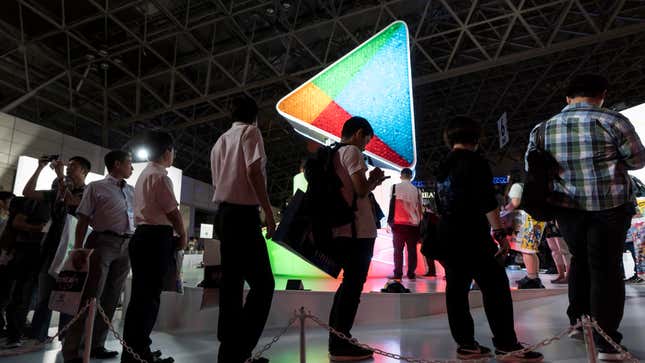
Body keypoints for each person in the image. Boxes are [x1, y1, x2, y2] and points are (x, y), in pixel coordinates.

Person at [526, 74, 645, 360]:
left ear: (568, 98)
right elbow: (637, 160)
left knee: (580, 259)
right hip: (610, 207)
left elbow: (534, 166)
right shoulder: (613, 121)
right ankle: (607, 343)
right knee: (606, 267)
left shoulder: (542, 129)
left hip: (567, 209)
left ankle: (579, 324)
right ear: (602, 94)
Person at [436, 116, 543, 362]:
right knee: (495, 287)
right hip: (471, 232)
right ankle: (506, 344)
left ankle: (466, 345)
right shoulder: (476, 162)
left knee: (456, 289)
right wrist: (499, 233)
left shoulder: (443, 164)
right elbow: (486, 201)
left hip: (447, 233)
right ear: (476, 137)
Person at [210, 96, 275, 363]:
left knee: (232, 285)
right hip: (243, 216)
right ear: (255, 116)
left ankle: (229, 352)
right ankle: (241, 348)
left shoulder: (220, 141)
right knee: (264, 284)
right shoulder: (251, 132)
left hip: (224, 214)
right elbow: (254, 172)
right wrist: (268, 211)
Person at [61, 150, 135, 363]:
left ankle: (96, 345)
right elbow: (83, 220)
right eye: (129, 163)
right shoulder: (96, 187)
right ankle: (72, 350)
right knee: (90, 296)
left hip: (126, 245)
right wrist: (78, 249)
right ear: (118, 164)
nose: (131, 167)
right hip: (102, 243)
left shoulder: (132, 190)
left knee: (111, 298)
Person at [121, 131, 186, 363]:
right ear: (167, 151)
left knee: (141, 298)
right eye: (173, 151)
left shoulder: (144, 175)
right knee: (148, 299)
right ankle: (139, 353)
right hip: (156, 238)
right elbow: (173, 212)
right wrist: (183, 234)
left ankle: (135, 350)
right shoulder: (160, 177)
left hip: (143, 237)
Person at [327, 116, 386, 361]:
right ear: (358, 133)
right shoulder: (351, 151)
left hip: (342, 229)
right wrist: (373, 180)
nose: (365, 147)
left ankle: (338, 336)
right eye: (366, 140)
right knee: (352, 286)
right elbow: (360, 190)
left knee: (348, 285)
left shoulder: (332, 153)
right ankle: (341, 342)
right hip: (357, 231)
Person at [23, 155, 91, 342]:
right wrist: (40, 168)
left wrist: (60, 175)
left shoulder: (88, 192)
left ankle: (66, 337)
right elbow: (28, 192)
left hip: (73, 250)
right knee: (45, 295)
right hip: (51, 247)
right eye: (67, 166)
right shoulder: (59, 190)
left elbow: (72, 202)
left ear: (84, 171)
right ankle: (38, 336)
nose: (68, 169)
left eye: (73, 166)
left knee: (69, 296)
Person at [3, 196, 51, 348]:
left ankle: (22, 331)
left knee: (30, 296)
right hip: (26, 252)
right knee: (21, 294)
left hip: (41, 254)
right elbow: (17, 223)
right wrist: (39, 228)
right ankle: (14, 333)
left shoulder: (57, 207)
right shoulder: (36, 202)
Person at [504, 182, 545, 289]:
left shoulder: (516, 186)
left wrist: (504, 210)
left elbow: (515, 203)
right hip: (536, 218)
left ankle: (532, 279)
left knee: (526, 250)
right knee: (531, 251)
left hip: (528, 220)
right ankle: (534, 277)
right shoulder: (530, 186)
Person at [388, 168, 423, 280]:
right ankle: (411, 273)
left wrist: (389, 222)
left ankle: (398, 273)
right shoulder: (417, 190)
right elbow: (420, 209)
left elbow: (391, 205)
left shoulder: (394, 187)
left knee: (398, 251)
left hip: (398, 224)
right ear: (411, 176)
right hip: (413, 225)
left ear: (401, 176)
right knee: (412, 251)